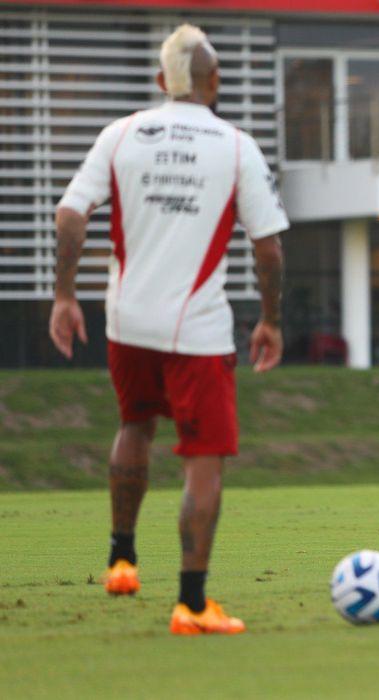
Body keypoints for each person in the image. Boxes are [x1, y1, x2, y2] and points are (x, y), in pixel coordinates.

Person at [49, 24, 288, 634]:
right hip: (197, 329)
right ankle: (191, 601)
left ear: (162, 82)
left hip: (126, 319)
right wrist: (270, 319)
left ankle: (121, 561)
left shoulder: (121, 134)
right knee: (202, 460)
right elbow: (269, 250)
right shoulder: (235, 146)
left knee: (134, 425)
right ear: (214, 83)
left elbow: (70, 215)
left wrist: (64, 295)